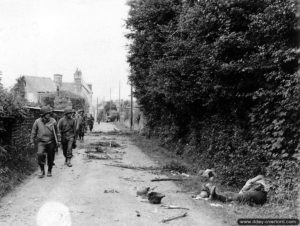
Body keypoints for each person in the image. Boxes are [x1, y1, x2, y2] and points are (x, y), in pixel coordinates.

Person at [201, 175, 269, 205]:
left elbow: (260, 179)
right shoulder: (258, 180)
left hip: (260, 194)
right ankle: (214, 196)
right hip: (249, 192)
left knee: (239, 196)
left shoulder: (264, 183)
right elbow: (250, 183)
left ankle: (215, 196)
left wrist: (253, 182)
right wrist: (249, 184)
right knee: (230, 194)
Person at [30, 106, 58, 178]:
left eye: (49, 113)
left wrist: (59, 141)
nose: (49, 115)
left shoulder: (53, 121)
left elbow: (57, 132)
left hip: (51, 141)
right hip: (41, 142)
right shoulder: (37, 121)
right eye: (47, 113)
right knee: (40, 154)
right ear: (43, 114)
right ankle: (42, 170)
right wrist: (32, 142)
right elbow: (33, 132)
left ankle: (49, 170)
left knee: (51, 156)